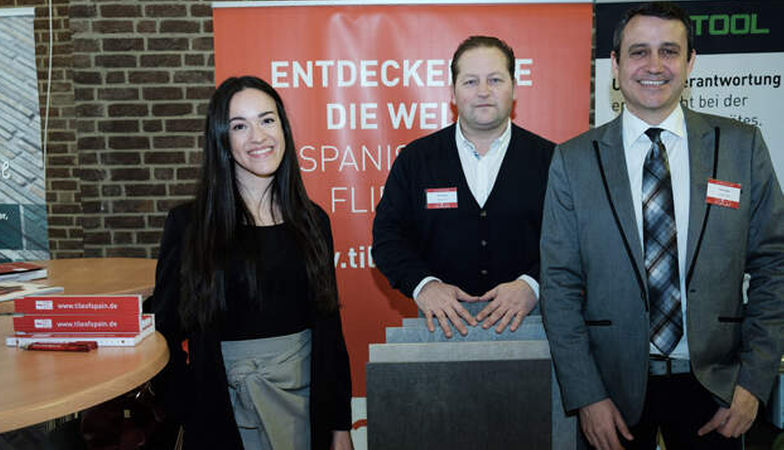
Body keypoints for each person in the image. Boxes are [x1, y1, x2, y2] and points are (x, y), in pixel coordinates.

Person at [540, 2, 784, 450]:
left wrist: (754, 383)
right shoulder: (573, 161)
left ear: (690, 62)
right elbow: (558, 285)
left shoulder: (741, 148)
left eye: (669, 51)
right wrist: (587, 395)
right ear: (615, 64)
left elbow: (775, 266)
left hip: (717, 389)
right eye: (638, 52)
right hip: (610, 391)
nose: (654, 66)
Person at [151, 76, 353, 450]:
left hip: (307, 413)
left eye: (267, 120)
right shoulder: (189, 226)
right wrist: (191, 406)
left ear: (283, 128)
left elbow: (330, 329)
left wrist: (340, 426)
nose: (258, 137)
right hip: (225, 416)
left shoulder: (313, 221)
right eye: (239, 126)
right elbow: (163, 330)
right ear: (221, 140)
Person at [372, 36, 555, 338]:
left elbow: (573, 242)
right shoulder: (416, 160)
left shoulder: (552, 160)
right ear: (453, 93)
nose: (483, 92)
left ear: (515, 88)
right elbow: (387, 238)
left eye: (495, 79)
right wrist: (424, 286)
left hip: (532, 326)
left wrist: (533, 284)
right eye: (470, 82)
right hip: (437, 328)